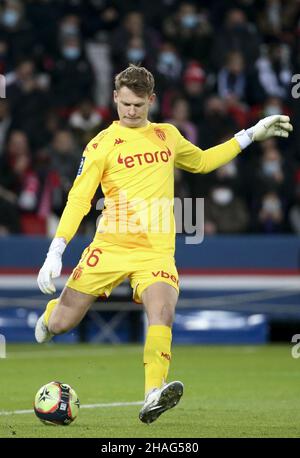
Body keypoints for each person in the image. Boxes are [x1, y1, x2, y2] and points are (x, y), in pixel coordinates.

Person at [35, 65, 293, 424]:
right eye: (125, 104)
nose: (131, 111)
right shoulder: (101, 145)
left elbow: (202, 162)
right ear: (114, 98)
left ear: (151, 100)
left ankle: (153, 393)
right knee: (62, 324)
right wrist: (56, 251)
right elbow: (79, 199)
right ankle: (50, 314)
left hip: (155, 252)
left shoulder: (167, 136)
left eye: (138, 105)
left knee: (163, 312)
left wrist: (249, 135)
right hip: (109, 247)